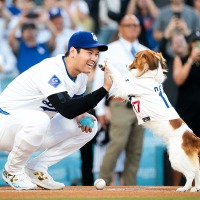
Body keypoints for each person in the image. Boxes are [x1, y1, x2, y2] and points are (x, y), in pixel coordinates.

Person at [0, 31, 113, 190]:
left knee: (90, 127)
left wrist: (81, 115)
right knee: (40, 119)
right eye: (89, 53)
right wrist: (105, 88)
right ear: (73, 51)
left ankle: (36, 168)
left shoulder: (81, 76)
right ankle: (12, 170)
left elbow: (75, 107)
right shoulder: (50, 69)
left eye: (96, 54)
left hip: (33, 130)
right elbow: (67, 109)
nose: (94, 58)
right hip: (5, 125)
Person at [93, 14, 146, 186]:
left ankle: (130, 189)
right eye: (128, 24)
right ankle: (103, 182)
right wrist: (100, 109)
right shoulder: (110, 49)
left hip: (141, 106)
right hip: (119, 103)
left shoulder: (145, 51)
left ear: (139, 28)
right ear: (120, 28)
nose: (132, 27)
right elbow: (100, 79)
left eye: (135, 24)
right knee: (116, 145)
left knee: (135, 150)